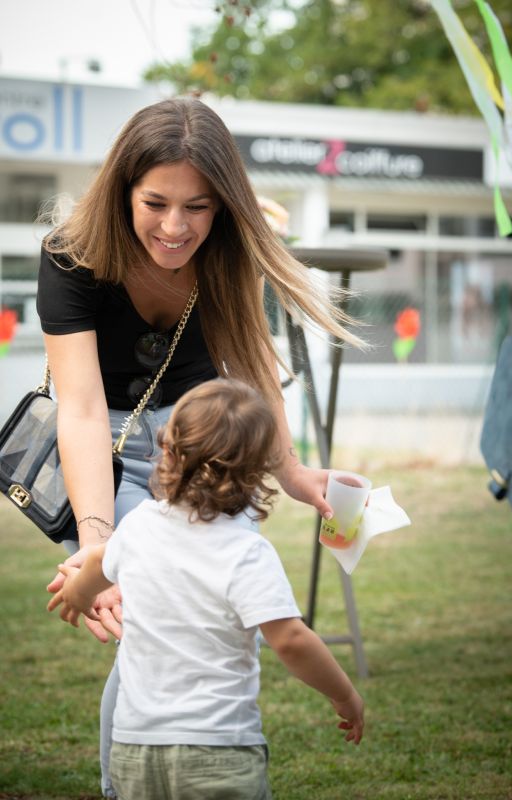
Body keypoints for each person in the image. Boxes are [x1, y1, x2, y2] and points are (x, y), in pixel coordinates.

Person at [38, 95, 365, 797]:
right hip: (117, 447)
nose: (176, 227)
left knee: (220, 626)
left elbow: (249, 363)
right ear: (124, 187)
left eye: (200, 207)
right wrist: (97, 550)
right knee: (146, 633)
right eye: (156, 203)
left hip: (206, 442)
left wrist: (292, 469)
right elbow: (85, 408)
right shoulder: (71, 256)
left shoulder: (229, 250)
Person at [47, 378, 365, 800]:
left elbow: (95, 569)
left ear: (168, 452)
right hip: (218, 752)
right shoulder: (248, 553)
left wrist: (77, 596)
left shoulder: (138, 526)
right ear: (256, 475)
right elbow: (289, 639)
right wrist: (344, 695)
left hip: (134, 749)